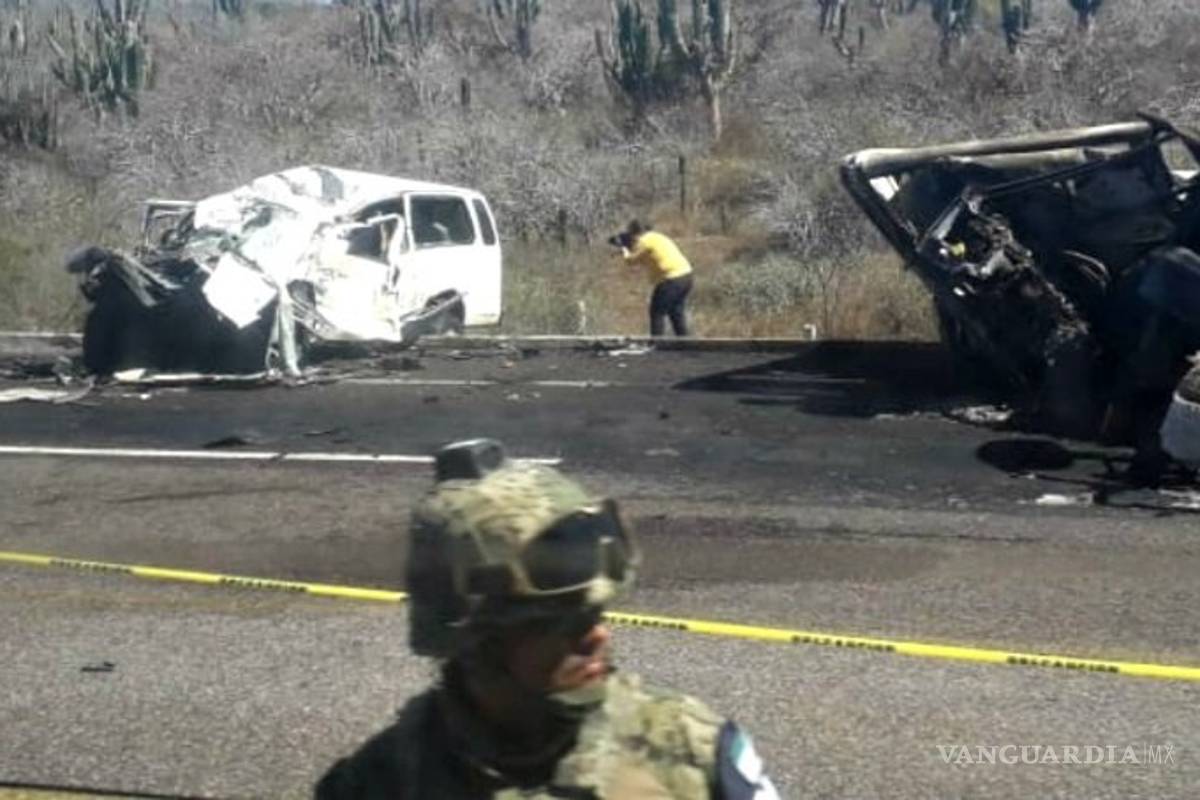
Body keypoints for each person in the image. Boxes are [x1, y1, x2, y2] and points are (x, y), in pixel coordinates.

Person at [315, 438, 779, 799]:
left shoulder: (691, 753)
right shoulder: (379, 783)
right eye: (562, 624)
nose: (598, 634)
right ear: (478, 642)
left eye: (594, 613)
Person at [614, 220, 695, 337]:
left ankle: (657, 344)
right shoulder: (658, 236)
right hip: (686, 275)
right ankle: (684, 342)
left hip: (671, 278)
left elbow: (631, 261)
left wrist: (624, 250)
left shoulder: (644, 242)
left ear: (635, 232)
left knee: (657, 312)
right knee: (676, 311)